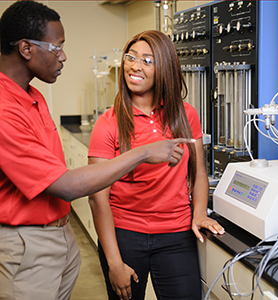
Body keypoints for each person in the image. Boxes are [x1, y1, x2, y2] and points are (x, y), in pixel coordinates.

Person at [0, 3, 194, 300]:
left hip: (57, 236)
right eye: (57, 47)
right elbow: (65, 185)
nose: (63, 56)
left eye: (148, 60)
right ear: (26, 48)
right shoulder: (4, 108)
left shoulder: (33, 96)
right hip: (26, 243)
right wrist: (142, 153)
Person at [88, 30, 225, 300]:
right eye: (131, 57)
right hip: (124, 235)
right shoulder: (109, 122)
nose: (135, 66)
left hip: (177, 235)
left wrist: (198, 213)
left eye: (148, 60)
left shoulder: (186, 115)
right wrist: (114, 263)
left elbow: (197, 172)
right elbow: (97, 197)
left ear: (164, 68)